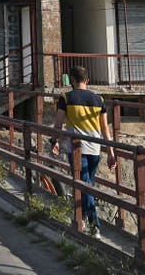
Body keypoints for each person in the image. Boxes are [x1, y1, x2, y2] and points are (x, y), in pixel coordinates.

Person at [51, 65, 116, 240]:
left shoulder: (66, 97)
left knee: (84, 185)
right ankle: (85, 219)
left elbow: (58, 123)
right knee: (87, 184)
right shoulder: (99, 99)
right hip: (95, 149)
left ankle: (94, 226)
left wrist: (54, 140)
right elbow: (105, 129)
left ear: (72, 80)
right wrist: (110, 152)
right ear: (87, 80)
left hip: (77, 149)